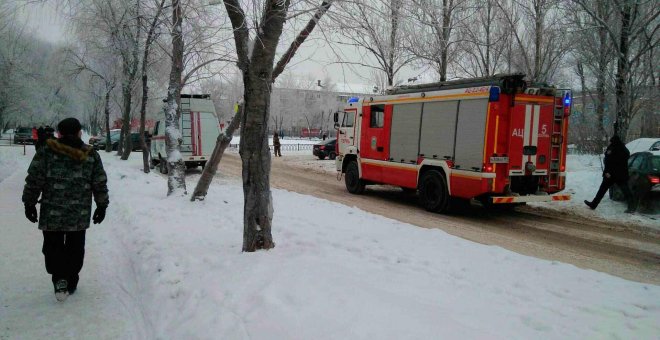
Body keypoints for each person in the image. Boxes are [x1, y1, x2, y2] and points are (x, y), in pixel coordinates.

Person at [22, 118, 109, 302]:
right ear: (79, 132)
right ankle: (71, 279)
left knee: (53, 247)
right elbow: (99, 182)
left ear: (59, 133)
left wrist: (29, 203)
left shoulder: (46, 151)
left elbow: (34, 178)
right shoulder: (90, 154)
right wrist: (102, 205)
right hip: (78, 214)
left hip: (52, 212)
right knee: (75, 248)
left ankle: (59, 278)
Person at [584, 135, 635, 213]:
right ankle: (632, 207)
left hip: (611, 174)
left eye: (611, 141)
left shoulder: (612, 148)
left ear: (613, 141)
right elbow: (625, 158)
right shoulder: (624, 149)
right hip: (621, 174)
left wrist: (607, 172)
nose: (610, 142)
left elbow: (608, 161)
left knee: (602, 190)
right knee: (626, 190)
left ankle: (594, 204)